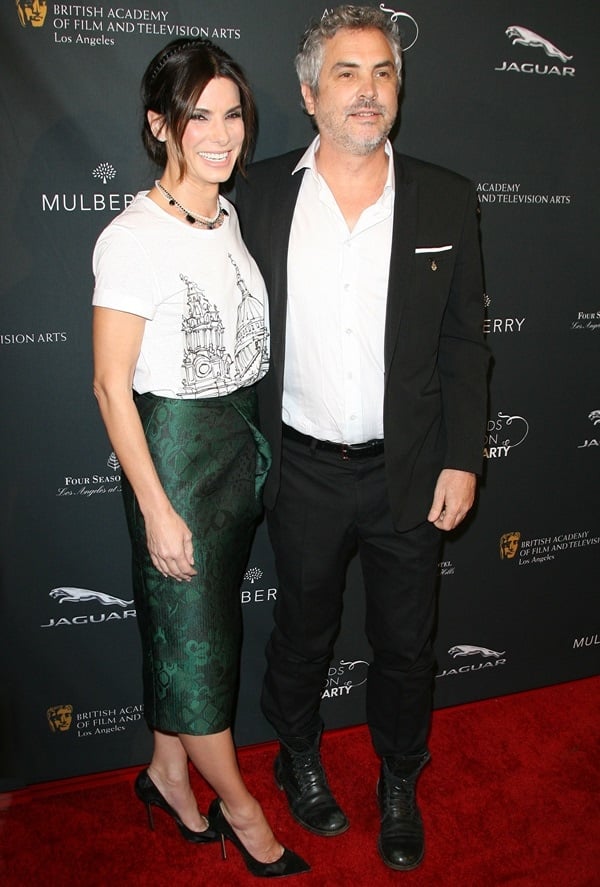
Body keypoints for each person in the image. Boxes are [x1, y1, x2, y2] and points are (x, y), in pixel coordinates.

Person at [235, 5, 490, 872]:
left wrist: (464, 456)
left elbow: (464, 342)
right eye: (347, 72)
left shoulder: (447, 196)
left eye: (382, 72)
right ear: (311, 94)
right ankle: (296, 752)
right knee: (301, 633)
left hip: (411, 473)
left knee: (408, 644)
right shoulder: (260, 195)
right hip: (300, 468)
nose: (368, 89)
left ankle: (400, 779)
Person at [92, 38, 309, 879]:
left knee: (190, 638)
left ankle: (166, 770)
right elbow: (113, 389)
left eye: (231, 114)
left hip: (235, 448)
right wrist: (156, 507)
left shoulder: (226, 214)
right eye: (198, 117)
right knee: (201, 650)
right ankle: (245, 812)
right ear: (161, 126)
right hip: (177, 459)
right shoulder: (133, 236)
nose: (221, 134)